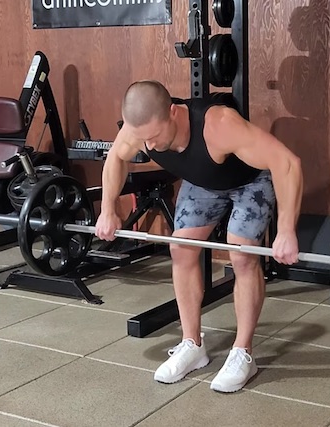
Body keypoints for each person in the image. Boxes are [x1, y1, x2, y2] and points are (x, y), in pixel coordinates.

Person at [95, 80, 303, 393]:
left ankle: (243, 353)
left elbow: (287, 163)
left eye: (153, 137)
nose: (149, 147)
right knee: (181, 248)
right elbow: (116, 157)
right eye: (142, 139)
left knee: (242, 254)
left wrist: (286, 229)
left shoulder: (218, 125)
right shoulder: (141, 130)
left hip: (249, 182)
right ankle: (192, 345)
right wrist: (108, 209)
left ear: (174, 113)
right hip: (204, 183)